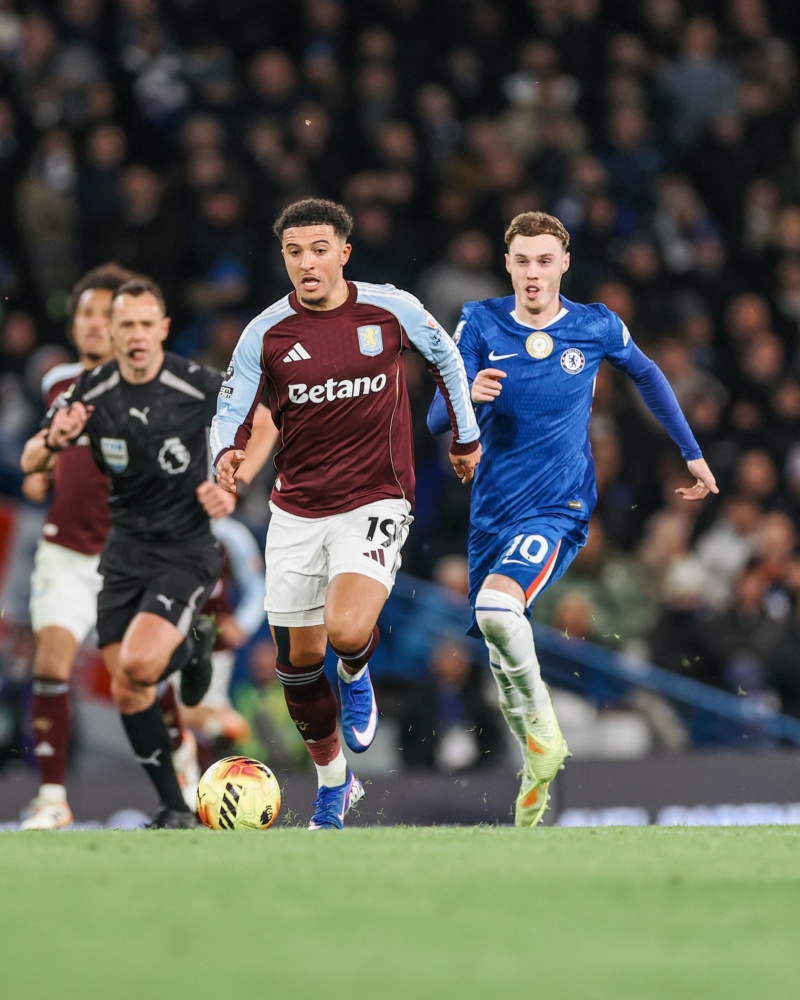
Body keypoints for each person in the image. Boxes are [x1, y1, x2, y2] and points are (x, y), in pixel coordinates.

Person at [428, 210, 718, 827]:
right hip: (491, 517)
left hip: (559, 509)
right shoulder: (480, 321)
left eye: (544, 260)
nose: (533, 273)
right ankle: (536, 755)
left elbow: (650, 376)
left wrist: (692, 454)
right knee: (499, 644)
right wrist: (464, 396)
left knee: (498, 611)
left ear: (563, 264)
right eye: (522, 261)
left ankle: (546, 741)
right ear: (508, 265)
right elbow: (434, 416)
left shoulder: (594, 326)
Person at [211, 197, 481, 829]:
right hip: (296, 512)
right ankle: (335, 784)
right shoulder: (265, 332)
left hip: (376, 499)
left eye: (319, 250)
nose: (307, 263)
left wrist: (465, 437)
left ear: (343, 254)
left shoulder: (392, 308)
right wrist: (223, 454)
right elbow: (233, 408)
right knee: (298, 665)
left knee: (346, 631)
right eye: (294, 252)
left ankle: (357, 672)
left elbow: (446, 356)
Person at [30, 275, 272, 828]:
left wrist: (232, 480)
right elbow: (34, 464)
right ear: (98, 330)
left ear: (161, 329)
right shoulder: (75, 388)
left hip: (178, 548)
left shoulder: (191, 382)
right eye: (117, 322)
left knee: (139, 666)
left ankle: (186, 657)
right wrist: (46, 453)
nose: (123, 331)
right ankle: (170, 803)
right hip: (104, 551)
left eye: (142, 323)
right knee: (127, 682)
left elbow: (262, 419)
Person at [18, 263, 136, 829]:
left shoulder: (147, 382)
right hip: (66, 550)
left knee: (144, 677)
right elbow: (53, 450)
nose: (93, 324)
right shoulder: (56, 381)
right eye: (85, 313)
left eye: (104, 314)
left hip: (130, 553)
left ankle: (187, 784)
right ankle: (52, 799)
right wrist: (42, 474)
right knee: (50, 662)